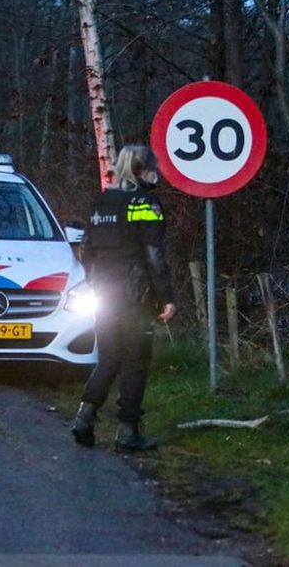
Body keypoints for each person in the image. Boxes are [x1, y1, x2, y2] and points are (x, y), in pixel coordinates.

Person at [70, 145, 175, 452]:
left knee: (108, 358)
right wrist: (166, 297)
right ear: (145, 169)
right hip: (135, 294)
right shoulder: (146, 202)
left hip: (103, 292)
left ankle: (83, 420)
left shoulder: (102, 202)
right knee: (136, 362)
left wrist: (92, 280)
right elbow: (154, 253)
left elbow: (86, 248)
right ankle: (128, 432)